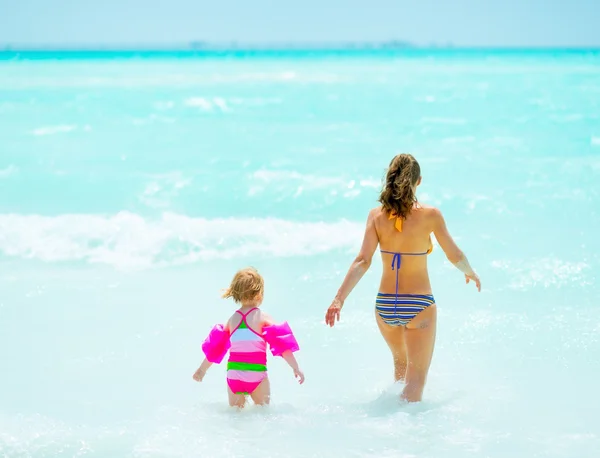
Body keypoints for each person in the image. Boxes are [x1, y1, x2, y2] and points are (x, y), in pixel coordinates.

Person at [325, 153, 481, 402]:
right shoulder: (431, 215)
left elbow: (362, 261)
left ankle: (391, 428)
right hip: (418, 306)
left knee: (401, 369)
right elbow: (455, 255)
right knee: (416, 381)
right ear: (418, 181)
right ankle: (407, 433)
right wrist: (469, 272)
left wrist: (338, 299)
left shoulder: (376, 216)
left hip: (385, 307)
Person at [193, 267, 305, 408]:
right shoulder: (262, 317)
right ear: (259, 293)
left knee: (236, 416)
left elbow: (216, 348)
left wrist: (202, 370)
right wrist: (295, 367)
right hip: (256, 373)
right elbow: (282, 345)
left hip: (234, 374)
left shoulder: (232, 319)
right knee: (263, 412)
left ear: (236, 293)